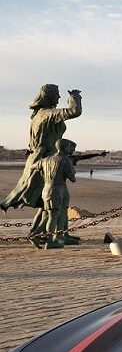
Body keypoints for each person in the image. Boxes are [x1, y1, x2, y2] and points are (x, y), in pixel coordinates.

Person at [0, 85, 82, 239]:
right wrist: (75, 96)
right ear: (49, 96)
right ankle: (47, 235)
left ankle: (56, 233)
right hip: (45, 159)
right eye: (56, 95)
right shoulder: (47, 114)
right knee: (52, 202)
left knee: (48, 203)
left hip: (42, 157)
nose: (58, 99)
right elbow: (74, 111)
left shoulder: (39, 115)